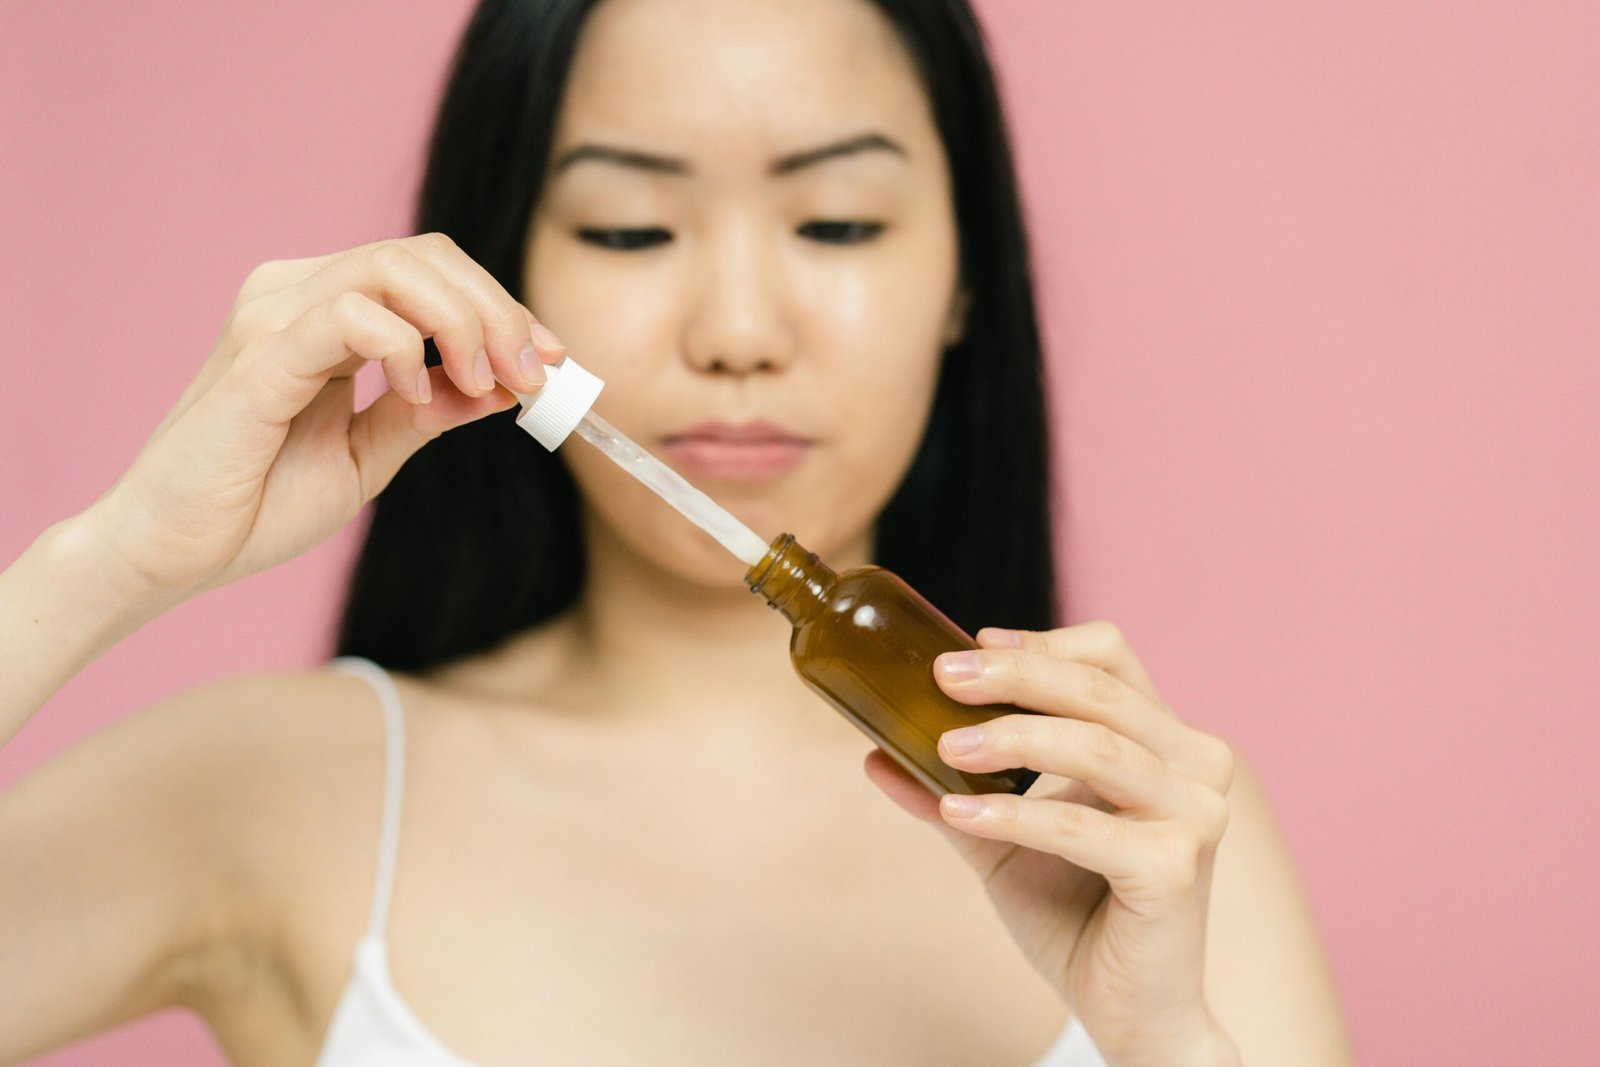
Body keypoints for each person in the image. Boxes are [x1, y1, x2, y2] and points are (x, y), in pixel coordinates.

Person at [0, 0, 1356, 1064]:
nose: (738, 333)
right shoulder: (271, 790)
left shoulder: (1142, 833)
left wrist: (1172, 1052)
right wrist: (106, 561)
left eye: (836, 220)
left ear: (964, 280)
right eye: (632, 227)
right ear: (503, 274)